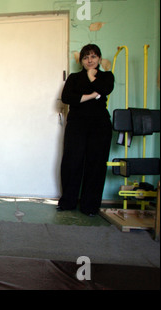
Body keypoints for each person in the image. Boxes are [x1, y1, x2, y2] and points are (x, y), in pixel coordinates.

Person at [57, 44, 115, 216]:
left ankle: (90, 206)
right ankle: (68, 202)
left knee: (96, 165)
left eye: (93, 57)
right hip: (76, 125)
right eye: (86, 57)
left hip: (100, 126)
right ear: (82, 60)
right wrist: (92, 96)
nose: (90, 60)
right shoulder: (74, 78)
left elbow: (106, 89)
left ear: (99, 58)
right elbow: (67, 98)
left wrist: (91, 77)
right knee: (72, 162)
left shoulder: (106, 76)